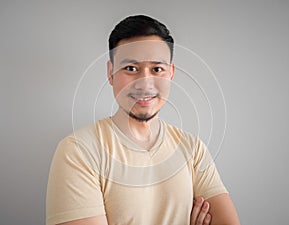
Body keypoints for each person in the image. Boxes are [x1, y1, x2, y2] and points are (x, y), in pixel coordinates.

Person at [46, 15, 240, 225]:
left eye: (157, 69)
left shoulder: (192, 148)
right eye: (131, 68)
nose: (145, 83)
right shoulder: (79, 151)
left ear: (171, 73)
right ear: (111, 73)